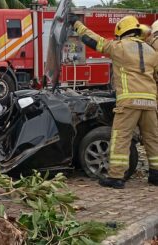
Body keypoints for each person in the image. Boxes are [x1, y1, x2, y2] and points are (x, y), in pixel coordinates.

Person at [68, 14, 158, 188]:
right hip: (149, 102)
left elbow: (93, 40)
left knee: (121, 137)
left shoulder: (119, 47)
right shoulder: (151, 52)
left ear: (121, 32)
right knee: (153, 138)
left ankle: (116, 176)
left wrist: (76, 24)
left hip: (129, 101)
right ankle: (156, 174)